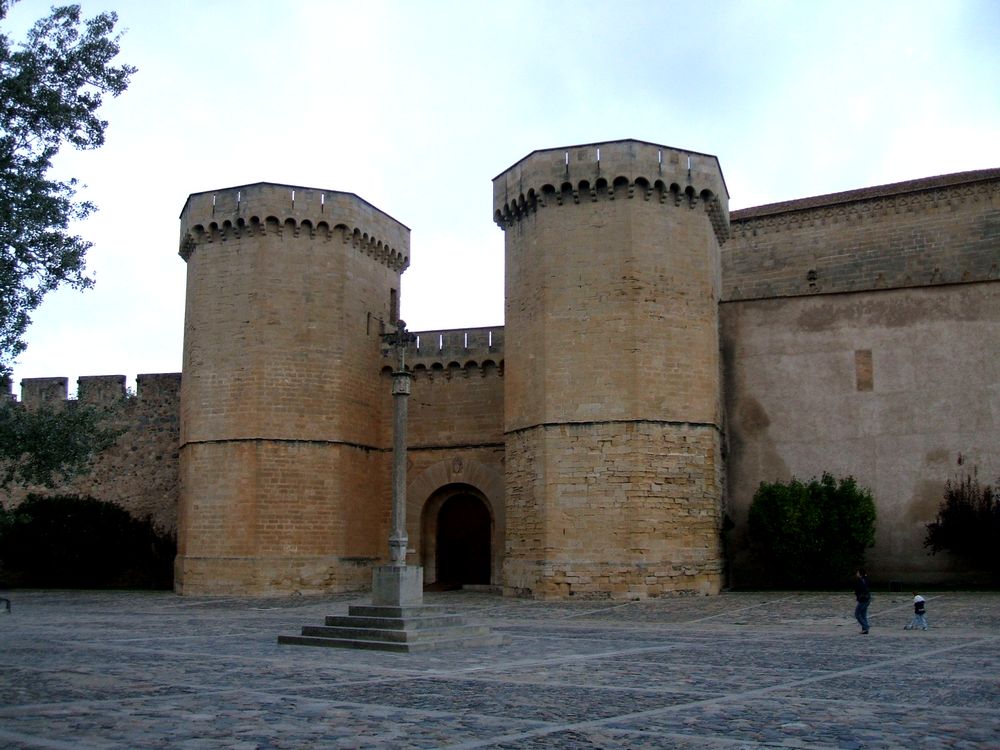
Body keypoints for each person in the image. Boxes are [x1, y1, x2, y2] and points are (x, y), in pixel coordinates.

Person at [854, 568, 871, 634]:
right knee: (863, 614)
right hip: (867, 598)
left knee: (857, 614)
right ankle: (865, 630)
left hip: (863, 599)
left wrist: (858, 593)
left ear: (860, 573)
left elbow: (862, 589)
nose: (856, 573)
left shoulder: (860, 580)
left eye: (858, 572)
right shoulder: (865, 579)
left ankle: (866, 627)